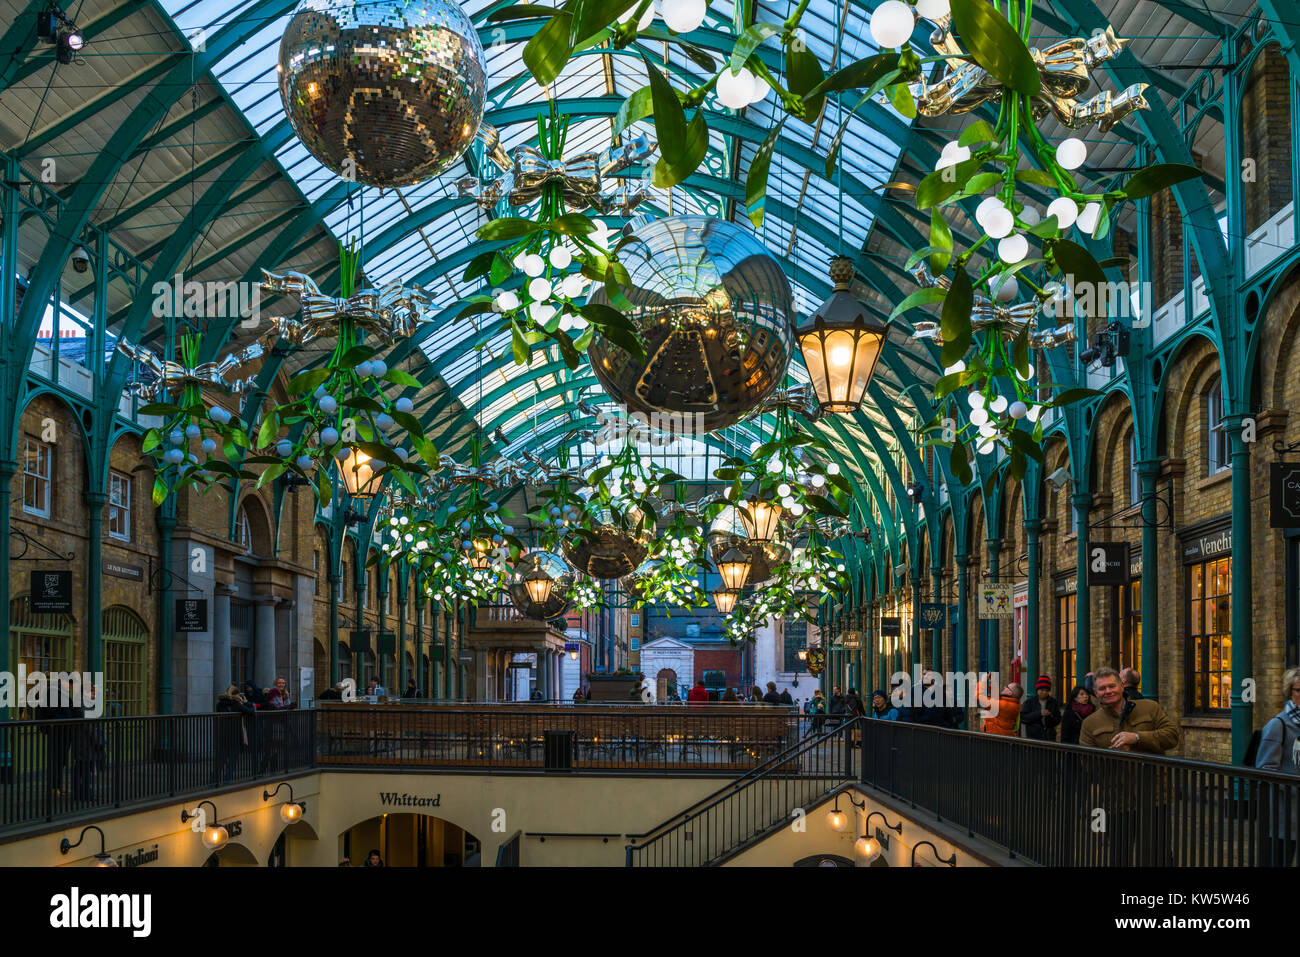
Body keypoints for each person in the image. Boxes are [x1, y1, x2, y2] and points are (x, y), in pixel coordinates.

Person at [1254, 667, 1300, 865]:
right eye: (1299, 690)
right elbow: (1265, 769)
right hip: (1284, 817)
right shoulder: (1279, 725)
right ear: (1290, 692)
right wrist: (1293, 785)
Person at [1080, 667, 1178, 754]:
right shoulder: (1089, 723)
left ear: (1122, 686)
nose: (1108, 691)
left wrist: (1137, 738)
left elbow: (1172, 736)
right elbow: (1088, 762)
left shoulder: (1150, 707)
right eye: (1102, 688)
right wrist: (1113, 754)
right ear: (1096, 693)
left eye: (1112, 686)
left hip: (1151, 774)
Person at [213, 685, 254, 785]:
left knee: (221, 759)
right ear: (237, 695)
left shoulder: (219, 704)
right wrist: (246, 702)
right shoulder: (237, 704)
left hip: (222, 734)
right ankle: (227, 780)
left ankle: (214, 780)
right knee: (232, 759)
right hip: (235, 734)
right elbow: (251, 712)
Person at [1021, 676, 1061, 742]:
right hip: (1033, 738)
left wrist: (1050, 716)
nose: (1044, 692)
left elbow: (1058, 719)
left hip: (1049, 737)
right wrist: (1039, 713)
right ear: (1037, 690)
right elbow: (1023, 718)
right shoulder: (1029, 702)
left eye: (1047, 690)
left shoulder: (1053, 702)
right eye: (1042, 690)